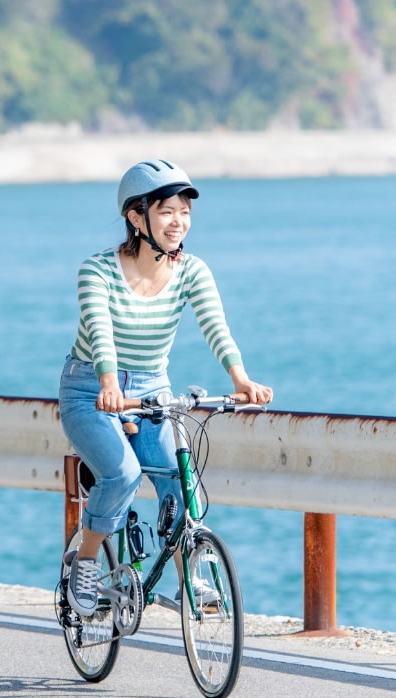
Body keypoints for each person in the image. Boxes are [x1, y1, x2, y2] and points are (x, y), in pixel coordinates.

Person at [59, 159, 272, 617]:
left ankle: (189, 577)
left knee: (182, 479)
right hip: (90, 390)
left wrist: (240, 379)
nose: (179, 222)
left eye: (185, 212)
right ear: (137, 218)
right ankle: (87, 559)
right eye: (166, 211)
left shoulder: (192, 271)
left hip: (154, 390)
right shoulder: (96, 271)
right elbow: (100, 332)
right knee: (123, 475)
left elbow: (215, 325)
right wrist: (110, 384)